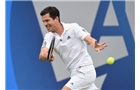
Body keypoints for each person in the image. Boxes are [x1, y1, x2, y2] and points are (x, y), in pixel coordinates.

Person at [39, 6, 107, 90]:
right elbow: (42, 54)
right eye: (43, 21)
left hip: (84, 70)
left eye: (47, 20)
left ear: (56, 18)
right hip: (74, 73)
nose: (45, 24)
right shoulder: (49, 36)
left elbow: (88, 38)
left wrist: (94, 44)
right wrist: (47, 55)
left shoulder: (73, 28)